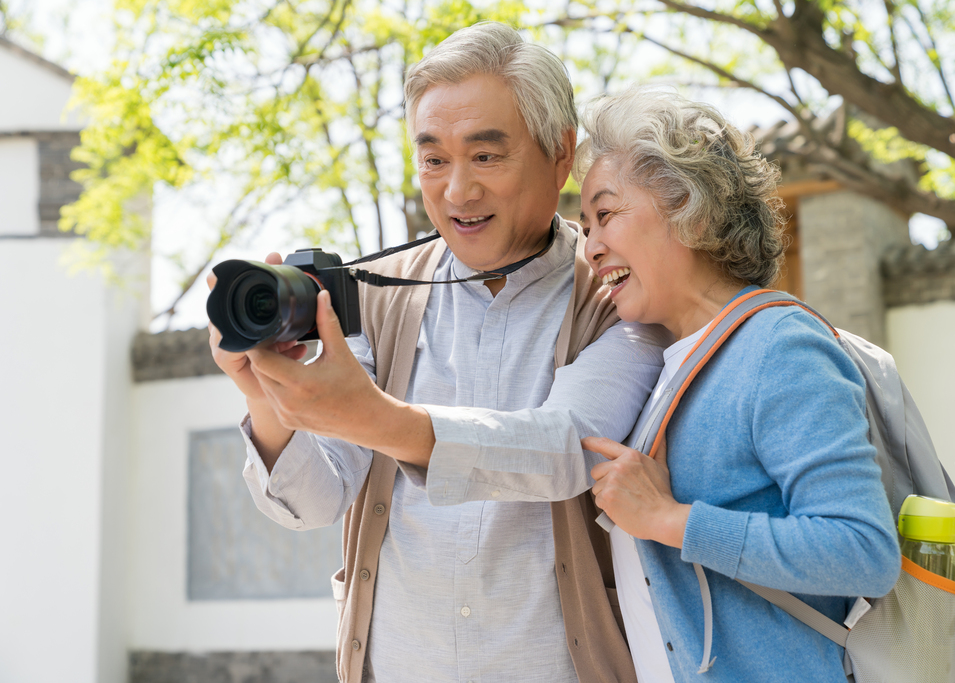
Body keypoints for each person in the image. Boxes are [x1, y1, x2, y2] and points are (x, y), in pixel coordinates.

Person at [208, 22, 669, 683]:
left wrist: (372, 417)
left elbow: (565, 447)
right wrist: (264, 392)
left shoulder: (615, 288)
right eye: (433, 159)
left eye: (486, 156)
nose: (456, 191)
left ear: (561, 153)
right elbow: (312, 501)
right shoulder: (378, 294)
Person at [575, 88, 902, 682]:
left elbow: (863, 550)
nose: (591, 246)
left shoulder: (779, 347)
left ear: (691, 212)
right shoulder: (671, 360)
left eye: (606, 215)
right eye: (584, 226)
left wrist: (670, 519)